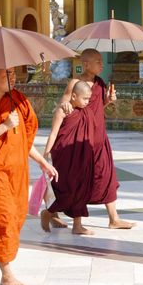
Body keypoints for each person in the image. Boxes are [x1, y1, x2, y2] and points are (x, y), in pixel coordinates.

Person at [0, 68, 58, 285]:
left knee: (15, 217)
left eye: (14, 73)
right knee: (3, 218)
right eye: (7, 74)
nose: (14, 77)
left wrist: (42, 162)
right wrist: (4, 126)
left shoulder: (17, 101)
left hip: (16, 172)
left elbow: (23, 141)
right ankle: (6, 273)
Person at [53, 49, 134, 229]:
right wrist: (65, 104)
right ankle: (60, 215)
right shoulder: (75, 83)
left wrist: (108, 100)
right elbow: (64, 106)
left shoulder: (100, 82)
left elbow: (95, 107)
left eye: (102, 61)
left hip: (98, 137)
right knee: (77, 179)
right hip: (80, 139)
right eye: (97, 61)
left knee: (106, 176)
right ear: (86, 64)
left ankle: (114, 219)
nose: (101, 64)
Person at [40, 81, 96, 235]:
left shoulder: (87, 111)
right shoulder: (63, 111)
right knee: (66, 188)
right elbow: (53, 133)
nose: (87, 102)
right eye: (84, 99)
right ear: (73, 96)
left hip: (83, 156)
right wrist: (45, 155)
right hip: (64, 156)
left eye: (88, 99)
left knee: (81, 189)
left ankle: (77, 225)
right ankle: (49, 212)